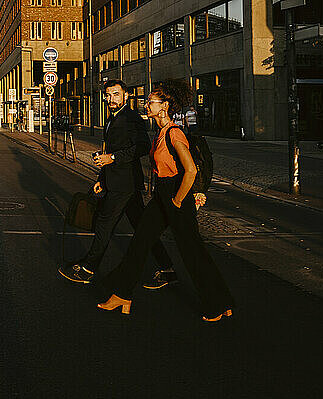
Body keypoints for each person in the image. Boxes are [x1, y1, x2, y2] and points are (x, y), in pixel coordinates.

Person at [97, 80, 234, 322]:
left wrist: (179, 201)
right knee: (140, 242)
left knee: (192, 251)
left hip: (175, 195)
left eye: (151, 101)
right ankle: (121, 294)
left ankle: (218, 303)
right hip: (163, 194)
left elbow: (190, 170)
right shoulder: (160, 132)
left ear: (164, 106)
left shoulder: (174, 132)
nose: (146, 104)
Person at [58, 79, 174, 284]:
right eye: (108, 95)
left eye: (116, 94)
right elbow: (110, 150)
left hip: (124, 183)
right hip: (118, 181)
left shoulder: (130, 118)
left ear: (126, 96)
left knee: (104, 224)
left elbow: (142, 146)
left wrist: (111, 158)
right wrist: (101, 177)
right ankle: (167, 268)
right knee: (143, 228)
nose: (111, 99)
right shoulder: (113, 117)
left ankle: (88, 269)